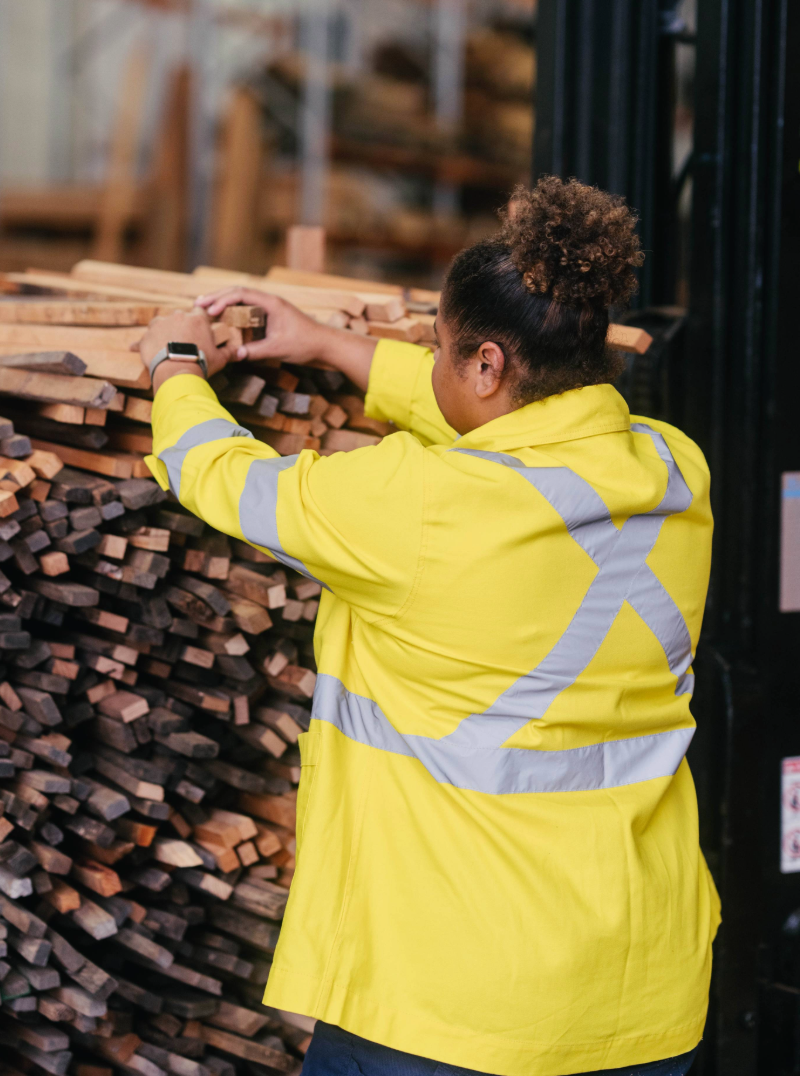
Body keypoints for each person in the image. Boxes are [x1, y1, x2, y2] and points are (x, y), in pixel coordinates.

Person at [138, 176, 720, 1076]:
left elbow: (219, 473)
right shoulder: (675, 469)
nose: (438, 367)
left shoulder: (419, 508)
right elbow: (524, 437)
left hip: (449, 1007)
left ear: (487, 365)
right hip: (641, 995)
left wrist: (174, 366)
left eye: (443, 352)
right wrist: (334, 342)